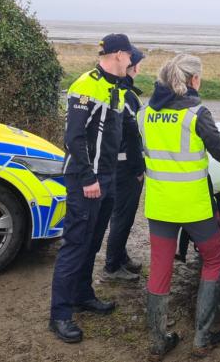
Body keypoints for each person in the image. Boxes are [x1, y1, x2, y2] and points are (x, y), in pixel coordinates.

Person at [137, 54, 220, 360]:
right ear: (193, 80)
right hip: (195, 206)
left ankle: (157, 341)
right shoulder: (197, 114)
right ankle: (202, 339)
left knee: (161, 268)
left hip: (160, 205)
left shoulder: (144, 114)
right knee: (215, 260)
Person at [49, 33, 136, 343]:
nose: (131, 62)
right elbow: (74, 138)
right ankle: (59, 315)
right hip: (86, 179)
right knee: (75, 244)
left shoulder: (116, 89)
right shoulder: (86, 85)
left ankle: (82, 295)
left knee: (92, 242)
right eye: (129, 56)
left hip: (108, 178)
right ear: (116, 55)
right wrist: (88, 179)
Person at [103, 46, 147, 281]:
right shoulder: (126, 95)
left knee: (120, 214)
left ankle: (120, 257)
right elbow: (132, 136)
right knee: (123, 216)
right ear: (133, 67)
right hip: (126, 167)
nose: (140, 68)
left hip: (119, 165)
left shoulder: (124, 92)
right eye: (138, 63)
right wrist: (138, 169)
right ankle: (112, 267)